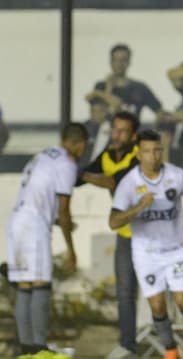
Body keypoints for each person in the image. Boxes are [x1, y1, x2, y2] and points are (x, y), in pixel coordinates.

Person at [78, 112, 183, 359]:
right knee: (135, 296)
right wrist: (71, 171)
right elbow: (106, 204)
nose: (116, 135)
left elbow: (113, 181)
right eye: (115, 129)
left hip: (170, 244)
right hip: (136, 242)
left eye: (123, 131)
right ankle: (146, 347)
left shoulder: (158, 168)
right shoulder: (115, 165)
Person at [109, 130, 183, 359]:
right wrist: (138, 208)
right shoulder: (129, 183)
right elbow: (113, 221)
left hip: (175, 250)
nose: (154, 156)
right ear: (139, 155)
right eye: (148, 151)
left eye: (157, 150)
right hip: (146, 253)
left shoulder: (177, 176)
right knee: (158, 306)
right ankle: (170, 349)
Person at [6, 123, 88, 355]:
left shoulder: (42, 156)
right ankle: (40, 348)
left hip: (17, 223)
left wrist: (57, 220)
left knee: (24, 286)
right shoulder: (66, 164)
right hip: (34, 228)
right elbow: (63, 208)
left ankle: (27, 349)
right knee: (41, 284)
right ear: (80, 144)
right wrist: (71, 248)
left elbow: (39, 197)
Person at [93, 43, 164, 119]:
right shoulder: (101, 86)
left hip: (132, 129)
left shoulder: (140, 88)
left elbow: (159, 111)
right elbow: (98, 115)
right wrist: (108, 89)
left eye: (123, 60)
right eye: (116, 60)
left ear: (129, 62)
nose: (119, 64)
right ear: (111, 62)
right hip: (107, 130)